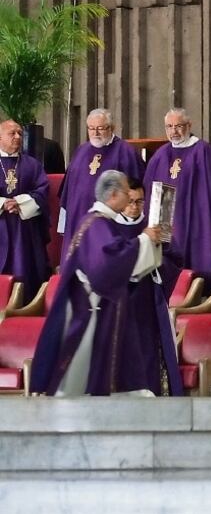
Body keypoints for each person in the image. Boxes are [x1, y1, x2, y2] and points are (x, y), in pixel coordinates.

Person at [30, 170, 163, 396]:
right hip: (91, 307)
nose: (129, 197)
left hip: (98, 304)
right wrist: (145, 240)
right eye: (125, 193)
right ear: (113, 195)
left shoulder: (99, 222)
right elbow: (107, 265)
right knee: (83, 373)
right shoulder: (97, 224)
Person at [144, 108, 211, 295]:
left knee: (196, 260)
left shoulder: (202, 150)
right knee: (168, 263)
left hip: (195, 217)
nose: (174, 131)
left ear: (189, 126)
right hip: (165, 219)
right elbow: (150, 188)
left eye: (178, 126)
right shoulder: (161, 154)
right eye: (169, 127)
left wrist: (206, 213)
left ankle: (200, 295)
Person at [115, 177, 183, 396]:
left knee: (149, 351)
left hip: (148, 300)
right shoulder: (110, 226)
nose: (134, 207)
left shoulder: (155, 225)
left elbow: (175, 259)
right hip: (120, 302)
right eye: (130, 201)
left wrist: (157, 254)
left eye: (139, 202)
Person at [59, 108, 144, 261]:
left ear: (112, 128)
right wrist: (63, 224)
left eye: (100, 128)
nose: (95, 133)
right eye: (91, 128)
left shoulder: (126, 152)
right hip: (78, 220)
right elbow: (68, 191)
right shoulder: (81, 151)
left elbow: (136, 193)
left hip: (110, 224)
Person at [0, 120, 50, 302]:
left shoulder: (32, 164)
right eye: (12, 133)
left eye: (20, 133)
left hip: (25, 229)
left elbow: (42, 190)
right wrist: (3, 204)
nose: (18, 137)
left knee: (25, 267)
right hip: (1, 225)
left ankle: (27, 304)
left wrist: (20, 203)